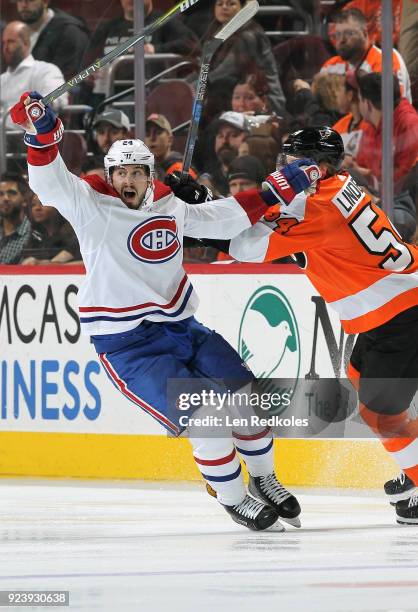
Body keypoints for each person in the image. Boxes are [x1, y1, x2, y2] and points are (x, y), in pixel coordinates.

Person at [10, 91, 322, 531]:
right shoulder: (91, 207)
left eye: (137, 172)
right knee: (209, 418)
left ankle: (265, 479)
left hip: (183, 329)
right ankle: (234, 498)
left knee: (248, 401)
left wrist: (275, 190)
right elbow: (48, 182)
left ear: (149, 174)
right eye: (121, 173)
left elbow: (222, 218)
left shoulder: (170, 205)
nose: (129, 180)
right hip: (130, 347)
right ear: (111, 176)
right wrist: (42, 135)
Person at [210, 126, 418, 525]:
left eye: (292, 161)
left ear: (318, 167)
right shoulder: (335, 188)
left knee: (380, 413)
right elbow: (266, 217)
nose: (285, 168)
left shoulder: (316, 206)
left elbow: (248, 246)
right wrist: (209, 204)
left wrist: (193, 218)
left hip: (401, 313)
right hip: (391, 309)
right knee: (359, 375)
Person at [86, 0, 200, 100]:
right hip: (107, 92)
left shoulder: (162, 21)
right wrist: (92, 71)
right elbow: (88, 60)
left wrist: (155, 49)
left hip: (148, 93)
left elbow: (192, 44)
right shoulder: (109, 27)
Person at [320, 7, 412, 102]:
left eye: (349, 33)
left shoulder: (386, 59)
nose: (342, 40)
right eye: (338, 34)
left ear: (364, 33)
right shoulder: (330, 67)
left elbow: (394, 107)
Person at [355, 73, 418, 197]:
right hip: (379, 197)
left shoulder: (409, 124)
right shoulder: (370, 126)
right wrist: (360, 171)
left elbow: (407, 179)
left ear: (367, 104)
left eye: (359, 100)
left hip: (401, 204)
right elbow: (364, 164)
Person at [0, 21, 67, 128]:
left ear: (26, 43)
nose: (5, 48)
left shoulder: (45, 70)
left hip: (31, 139)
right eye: (3, 43)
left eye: (11, 42)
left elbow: (57, 97)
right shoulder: (2, 79)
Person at [16, 0, 90, 81]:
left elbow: (63, 84)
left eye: (30, 0)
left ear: (45, 2)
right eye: (19, 0)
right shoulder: (16, 30)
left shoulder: (69, 31)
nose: (23, 5)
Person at [21, 193, 81, 265]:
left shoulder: (74, 234)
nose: (37, 208)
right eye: (33, 205)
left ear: (58, 206)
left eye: (42, 203)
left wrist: (42, 264)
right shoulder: (35, 235)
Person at [145, 113, 197, 181]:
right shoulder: (148, 170)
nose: (152, 138)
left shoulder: (180, 171)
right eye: (147, 134)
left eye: (158, 132)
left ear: (170, 139)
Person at [332, 71, 367, 164]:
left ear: (350, 95)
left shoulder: (371, 126)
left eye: (338, 89)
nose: (335, 94)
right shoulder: (340, 126)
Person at [0, 172, 31, 264]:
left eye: (12, 193)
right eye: (0, 194)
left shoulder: (32, 233)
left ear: (25, 200)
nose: (5, 198)